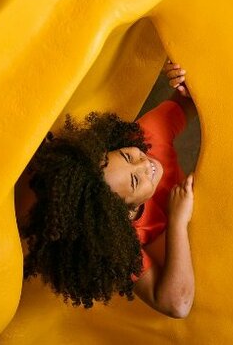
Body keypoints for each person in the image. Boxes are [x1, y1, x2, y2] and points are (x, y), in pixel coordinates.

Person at [15, 85, 197, 318]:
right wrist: (178, 221)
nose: (144, 164)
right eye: (134, 181)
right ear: (124, 212)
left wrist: (182, 80)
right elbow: (177, 305)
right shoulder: (122, 243)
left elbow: (190, 99)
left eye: (127, 156)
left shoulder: (144, 138)